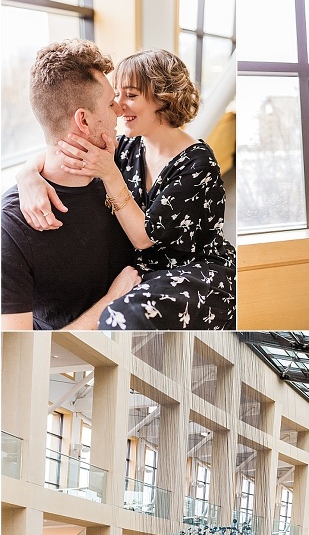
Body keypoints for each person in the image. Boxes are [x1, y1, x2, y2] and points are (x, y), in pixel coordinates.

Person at [14, 48, 236, 329]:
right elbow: (60, 146)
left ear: (163, 99)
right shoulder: (126, 148)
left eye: (130, 96)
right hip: (143, 273)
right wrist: (27, 174)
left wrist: (110, 174)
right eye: (116, 96)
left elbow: (145, 238)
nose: (118, 107)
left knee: (121, 315)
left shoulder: (199, 164)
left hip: (195, 273)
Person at [1, 40, 139, 330]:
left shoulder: (115, 163)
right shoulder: (11, 227)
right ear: (84, 121)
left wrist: (27, 171)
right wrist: (112, 302)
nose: (117, 112)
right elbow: (19, 353)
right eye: (109, 103)